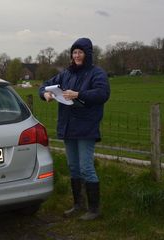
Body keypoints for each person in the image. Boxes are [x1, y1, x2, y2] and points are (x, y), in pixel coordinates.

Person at [39, 37, 110, 220]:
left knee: (86, 167)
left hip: (86, 126)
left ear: (88, 54)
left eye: (80, 52)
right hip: (68, 126)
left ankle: (94, 210)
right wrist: (45, 93)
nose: (77, 55)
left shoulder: (96, 73)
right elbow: (44, 85)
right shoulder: (66, 74)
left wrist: (79, 94)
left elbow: (103, 93)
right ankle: (78, 205)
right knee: (73, 167)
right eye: (74, 52)